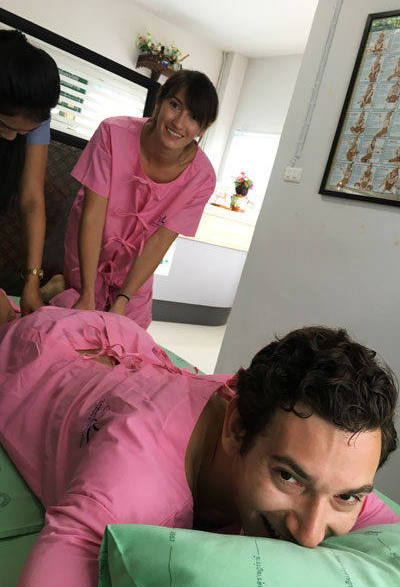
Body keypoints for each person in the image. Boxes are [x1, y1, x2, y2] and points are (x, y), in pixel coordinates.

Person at [0, 299, 398, 586]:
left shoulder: (326, 466)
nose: (310, 535)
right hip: (41, 354)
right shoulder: (128, 488)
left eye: (346, 497)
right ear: (237, 428)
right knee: (15, 324)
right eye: (289, 478)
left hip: (130, 347)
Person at [48, 70, 218, 329]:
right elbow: (92, 215)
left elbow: (160, 241)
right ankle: (61, 288)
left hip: (137, 261)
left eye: (194, 118)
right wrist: (87, 295)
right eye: (175, 106)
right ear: (160, 101)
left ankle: (69, 289)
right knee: (80, 320)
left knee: (127, 335)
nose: (179, 123)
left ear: (203, 128)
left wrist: (123, 299)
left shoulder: (202, 177)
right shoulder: (112, 132)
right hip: (92, 242)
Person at [0, 29, 60, 321]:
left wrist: (32, 281)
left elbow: (32, 198)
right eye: (5, 126)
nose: (12, 139)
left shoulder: (36, 119)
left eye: (24, 134)